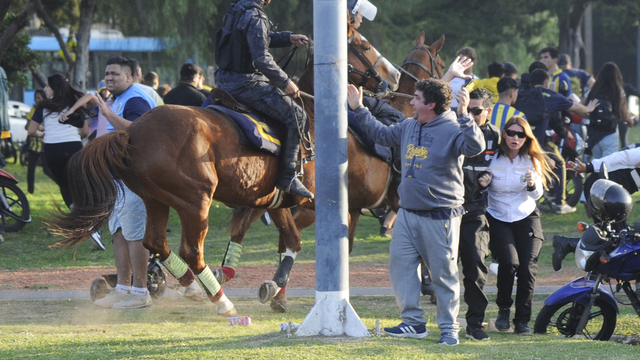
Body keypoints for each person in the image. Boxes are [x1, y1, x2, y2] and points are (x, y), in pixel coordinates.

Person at [347, 56, 484, 346]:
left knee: (443, 276)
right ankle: (413, 323)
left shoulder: (451, 127)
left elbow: (474, 146)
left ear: (430, 105)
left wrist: (465, 113)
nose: (410, 103)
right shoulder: (410, 126)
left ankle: (449, 329)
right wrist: (358, 108)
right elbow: (381, 135)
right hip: (408, 214)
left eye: (417, 98)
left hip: (441, 216)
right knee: (401, 266)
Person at [214, 0, 314, 199]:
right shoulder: (256, 16)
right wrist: (286, 82)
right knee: (299, 116)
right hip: (246, 84)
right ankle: (288, 177)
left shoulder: (236, 9)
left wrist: (288, 38)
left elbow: (256, 38)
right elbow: (261, 58)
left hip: (224, 80)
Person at [91, 56, 158, 309]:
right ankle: (123, 288)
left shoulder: (134, 99)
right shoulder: (119, 99)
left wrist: (106, 113)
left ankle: (141, 293)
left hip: (134, 179)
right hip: (116, 179)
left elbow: (137, 130)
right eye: (107, 73)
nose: (109, 77)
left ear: (130, 77)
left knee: (135, 235)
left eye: (115, 74)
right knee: (119, 233)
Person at [478, 116, 555, 335]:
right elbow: (480, 186)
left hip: (526, 216)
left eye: (520, 134)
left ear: (526, 138)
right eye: (511, 133)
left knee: (527, 268)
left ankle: (522, 320)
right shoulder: (493, 157)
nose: (515, 138)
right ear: (504, 134)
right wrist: (482, 185)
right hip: (498, 217)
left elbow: (538, 193)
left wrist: (531, 184)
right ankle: (504, 308)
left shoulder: (531, 160)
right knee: (509, 262)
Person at [514, 68, 598, 214]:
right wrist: (588, 109)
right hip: (536, 143)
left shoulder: (520, 93)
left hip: (514, 140)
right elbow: (574, 106)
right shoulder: (549, 95)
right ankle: (560, 203)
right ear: (547, 83)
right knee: (559, 163)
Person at [553, 144, 640, 270]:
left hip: (609, 194)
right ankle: (596, 275)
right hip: (603, 190)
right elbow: (618, 157)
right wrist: (589, 166)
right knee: (618, 239)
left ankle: (567, 243)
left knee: (612, 237)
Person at [459, 88, 500, 341]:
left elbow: (513, 167)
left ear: (488, 111)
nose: (471, 116)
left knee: (475, 264)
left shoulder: (498, 137)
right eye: (467, 110)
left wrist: (491, 182)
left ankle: (475, 324)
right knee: (443, 268)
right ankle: (446, 322)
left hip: (475, 211)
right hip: (445, 209)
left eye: (476, 111)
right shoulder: (453, 128)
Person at [27, 74, 89, 208]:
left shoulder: (43, 107)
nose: (44, 89)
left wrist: (44, 134)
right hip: (73, 147)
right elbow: (85, 132)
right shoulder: (74, 103)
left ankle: (73, 211)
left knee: (64, 184)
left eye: (47, 86)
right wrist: (72, 138)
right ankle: (86, 219)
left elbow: (31, 131)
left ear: (54, 88)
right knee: (78, 183)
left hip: (52, 149)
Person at [584, 62, 632, 159]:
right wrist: (630, 121)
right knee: (608, 166)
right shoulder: (618, 91)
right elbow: (624, 113)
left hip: (594, 134)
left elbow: (581, 106)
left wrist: (589, 113)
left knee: (597, 166)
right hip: (610, 132)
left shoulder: (594, 90)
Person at [24, 90, 53, 194]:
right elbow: (27, 126)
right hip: (34, 145)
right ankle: (30, 191)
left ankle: (62, 185)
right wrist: (38, 127)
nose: (38, 100)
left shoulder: (49, 110)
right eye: (36, 98)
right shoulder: (33, 110)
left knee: (47, 169)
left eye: (40, 98)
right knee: (31, 169)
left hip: (46, 145)